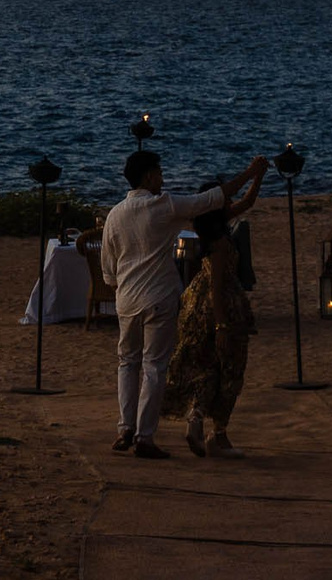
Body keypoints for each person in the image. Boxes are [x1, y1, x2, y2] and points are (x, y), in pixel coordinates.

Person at [103, 145, 267, 459]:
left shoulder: (114, 216)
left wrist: (122, 285)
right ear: (149, 176)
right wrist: (249, 172)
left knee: (127, 363)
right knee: (153, 367)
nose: (162, 179)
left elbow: (109, 271)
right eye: (160, 173)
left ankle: (125, 427)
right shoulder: (162, 206)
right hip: (158, 298)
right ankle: (144, 437)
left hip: (126, 300)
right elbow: (211, 199)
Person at [166, 188, 262, 457]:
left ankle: (197, 421)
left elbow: (248, 201)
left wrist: (258, 172)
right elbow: (217, 289)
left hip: (197, 306)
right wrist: (221, 325)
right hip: (218, 309)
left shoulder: (211, 226)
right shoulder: (219, 244)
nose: (230, 201)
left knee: (207, 367)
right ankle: (218, 436)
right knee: (230, 369)